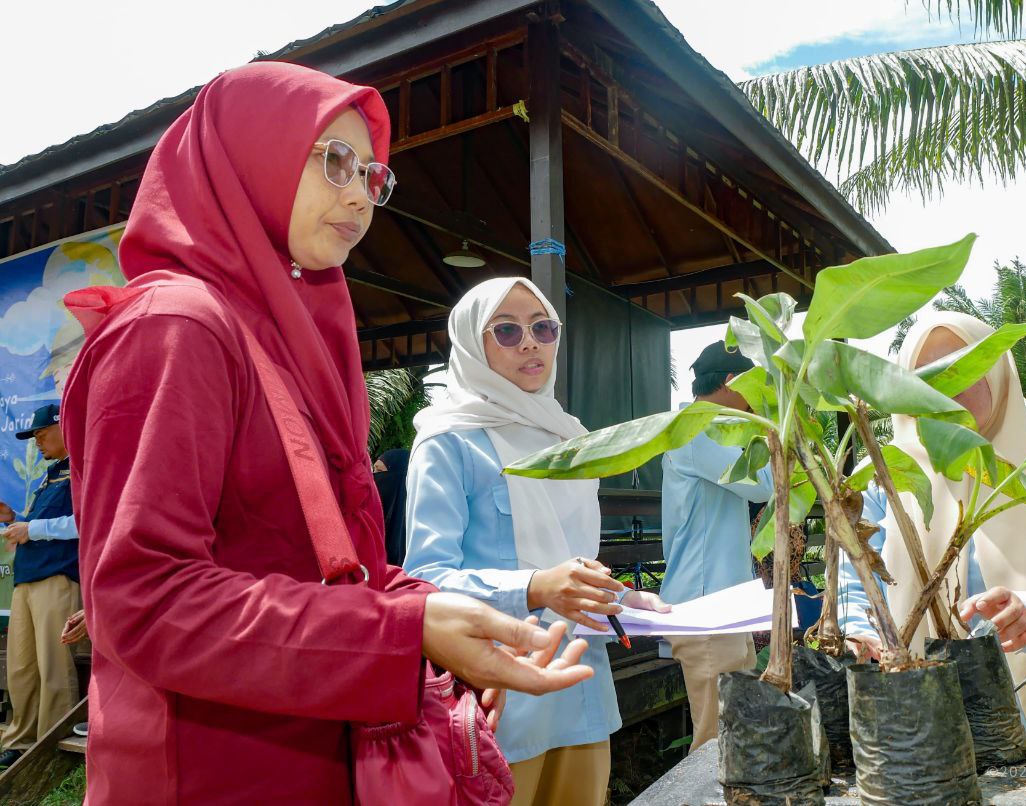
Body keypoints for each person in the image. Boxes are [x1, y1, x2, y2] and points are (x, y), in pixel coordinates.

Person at [58, 62, 593, 803]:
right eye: (333, 160)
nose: (358, 194)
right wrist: (402, 634)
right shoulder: (177, 327)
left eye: (372, 174)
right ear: (249, 154)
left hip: (311, 748)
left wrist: (440, 624)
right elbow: (145, 600)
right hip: (214, 771)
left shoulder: (285, 336)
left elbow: (332, 564)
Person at [405, 276, 669, 806]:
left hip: (579, 683)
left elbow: (573, 564)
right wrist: (535, 586)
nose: (530, 342)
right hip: (501, 695)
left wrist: (623, 598)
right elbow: (425, 580)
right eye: (506, 331)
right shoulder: (448, 441)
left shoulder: (570, 437)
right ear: (471, 345)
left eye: (543, 327)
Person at [836, 312, 1026, 792]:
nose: (943, 392)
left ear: (998, 371)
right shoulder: (884, 475)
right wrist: (861, 637)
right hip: (916, 737)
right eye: (923, 380)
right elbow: (854, 589)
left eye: (963, 369)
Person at [659, 342, 773, 751]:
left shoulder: (711, 429)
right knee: (715, 740)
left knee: (737, 729)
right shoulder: (697, 428)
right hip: (707, 604)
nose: (756, 399)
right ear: (731, 381)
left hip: (726, 600)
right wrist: (768, 428)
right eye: (753, 388)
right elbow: (761, 486)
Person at [0, 403, 82, 768]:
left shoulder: (84, 467)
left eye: (41, 433)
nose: (37, 442)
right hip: (27, 579)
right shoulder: (51, 475)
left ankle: (51, 745)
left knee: (54, 665)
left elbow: (87, 522)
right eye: (32, 436)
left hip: (57, 576)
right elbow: (44, 522)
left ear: (64, 426)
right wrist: (16, 519)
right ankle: (19, 742)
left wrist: (30, 529)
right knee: (21, 667)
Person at [373, 448, 411, 566]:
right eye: (373, 470)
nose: (373, 477)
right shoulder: (369, 520)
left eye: (379, 470)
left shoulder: (416, 533)